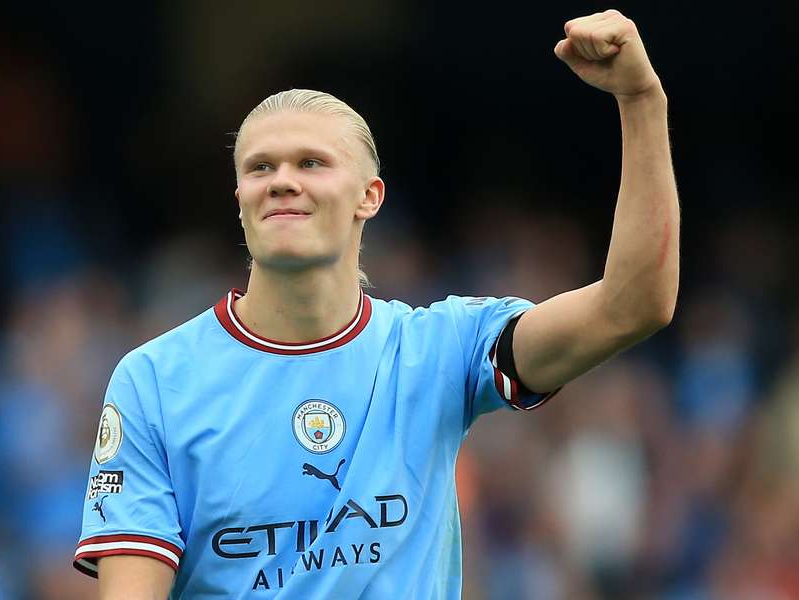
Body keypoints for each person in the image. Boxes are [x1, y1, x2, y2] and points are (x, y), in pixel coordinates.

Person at [73, 9, 679, 599]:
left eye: (312, 162)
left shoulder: (440, 350)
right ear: (240, 199)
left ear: (370, 196)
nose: (283, 179)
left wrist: (642, 101)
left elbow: (633, 305)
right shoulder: (155, 380)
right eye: (261, 167)